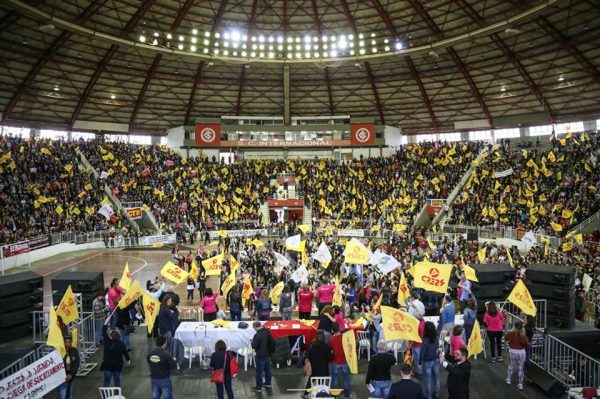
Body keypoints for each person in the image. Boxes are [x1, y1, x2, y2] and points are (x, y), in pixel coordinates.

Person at [101, 317, 130, 387]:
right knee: (117, 382)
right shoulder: (121, 344)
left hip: (107, 366)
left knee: (106, 383)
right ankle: (117, 395)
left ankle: (105, 396)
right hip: (117, 366)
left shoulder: (107, 342)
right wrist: (128, 360)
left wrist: (105, 322)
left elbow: (103, 332)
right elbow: (125, 353)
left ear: (111, 336)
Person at [304, 330, 332, 399]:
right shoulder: (326, 346)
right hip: (324, 371)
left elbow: (308, 356)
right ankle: (323, 394)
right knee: (324, 383)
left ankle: (305, 394)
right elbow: (329, 358)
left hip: (314, 370)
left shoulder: (312, 346)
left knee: (310, 381)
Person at [251, 321, 274, 393]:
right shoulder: (267, 332)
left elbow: (254, 346)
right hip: (268, 354)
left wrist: (252, 342)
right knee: (268, 370)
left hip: (260, 356)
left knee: (259, 372)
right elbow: (272, 342)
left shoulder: (257, 335)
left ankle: (258, 387)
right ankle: (268, 383)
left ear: (255, 327)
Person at [505, 321, 529, 390]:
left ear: (514, 326)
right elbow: (527, 344)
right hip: (521, 352)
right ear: (522, 327)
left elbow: (506, 338)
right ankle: (520, 384)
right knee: (521, 368)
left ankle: (508, 379)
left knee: (511, 365)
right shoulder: (524, 336)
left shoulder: (511, 333)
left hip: (512, 351)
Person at [329, 324, 351, 399]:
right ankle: (347, 396)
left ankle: (335, 395)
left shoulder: (331, 339)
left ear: (332, 330)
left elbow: (330, 351)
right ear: (339, 329)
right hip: (345, 361)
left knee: (335, 379)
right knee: (346, 379)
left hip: (335, 362)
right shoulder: (345, 337)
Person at [419, 321, 440, 399]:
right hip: (436, 359)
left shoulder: (425, 340)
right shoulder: (436, 337)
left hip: (427, 361)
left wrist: (420, 362)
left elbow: (422, 352)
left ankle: (429, 396)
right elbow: (437, 347)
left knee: (428, 380)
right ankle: (437, 394)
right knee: (437, 378)